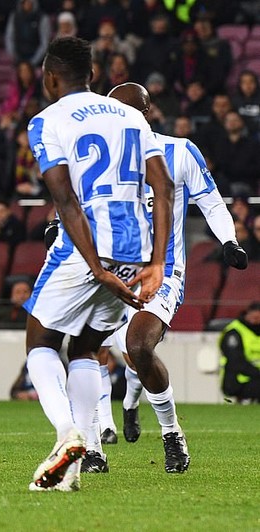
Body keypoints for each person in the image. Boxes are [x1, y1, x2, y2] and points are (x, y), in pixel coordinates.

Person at [24, 38, 173, 492]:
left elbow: (65, 200)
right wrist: (157, 264)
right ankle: (81, 454)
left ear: (51, 77)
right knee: (87, 346)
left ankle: (67, 435)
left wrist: (95, 266)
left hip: (85, 247)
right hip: (133, 247)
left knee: (40, 340)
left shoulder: (46, 120)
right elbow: (162, 188)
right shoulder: (131, 115)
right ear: (91, 74)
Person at [92, 82, 248, 474]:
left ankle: (171, 433)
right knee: (85, 349)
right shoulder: (98, 155)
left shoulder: (179, 151)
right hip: (110, 271)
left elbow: (211, 201)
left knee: (138, 347)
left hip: (162, 271)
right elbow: (76, 201)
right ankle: (93, 446)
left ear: (147, 114)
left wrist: (228, 240)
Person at [219, 302, 260, 403]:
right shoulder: (234, 332)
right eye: (254, 317)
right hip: (238, 379)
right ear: (247, 314)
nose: (256, 320)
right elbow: (236, 361)